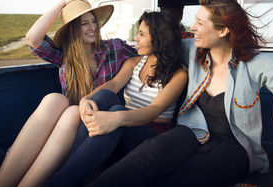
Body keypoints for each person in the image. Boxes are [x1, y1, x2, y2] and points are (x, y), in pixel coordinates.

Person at [88, 0, 273, 187]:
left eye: (200, 23)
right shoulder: (191, 49)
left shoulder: (255, 64)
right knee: (147, 156)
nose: (192, 28)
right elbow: (157, 42)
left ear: (224, 29)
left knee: (176, 180)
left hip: (235, 147)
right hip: (190, 131)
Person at [0, 0, 137, 187]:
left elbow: (146, 56)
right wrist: (63, 3)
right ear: (73, 29)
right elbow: (33, 38)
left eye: (94, 21)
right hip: (66, 127)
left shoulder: (114, 48)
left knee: (71, 111)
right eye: (84, 23)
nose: (92, 27)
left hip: (95, 126)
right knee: (55, 100)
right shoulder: (65, 54)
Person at [46, 11, 187, 186]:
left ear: (160, 38)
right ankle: (67, 172)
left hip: (151, 132)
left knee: (117, 109)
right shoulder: (134, 62)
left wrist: (116, 118)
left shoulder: (179, 74)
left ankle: (59, 182)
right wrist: (86, 100)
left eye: (142, 34)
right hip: (122, 123)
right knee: (103, 96)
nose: (136, 38)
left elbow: (153, 111)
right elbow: (113, 85)